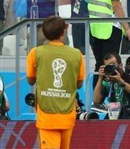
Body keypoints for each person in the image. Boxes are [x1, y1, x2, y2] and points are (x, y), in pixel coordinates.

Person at [26, 16, 85, 149]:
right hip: (68, 113)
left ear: (44, 33)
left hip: (46, 115)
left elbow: (30, 80)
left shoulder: (35, 53)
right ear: (63, 32)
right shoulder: (77, 54)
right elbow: (79, 84)